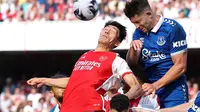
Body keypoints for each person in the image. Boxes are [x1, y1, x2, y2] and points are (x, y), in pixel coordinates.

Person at [27, 20, 143, 112]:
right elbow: (74, 81)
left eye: (112, 31)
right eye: (105, 29)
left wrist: (121, 100)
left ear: (117, 42)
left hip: (92, 109)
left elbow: (136, 87)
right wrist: (44, 80)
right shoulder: (85, 56)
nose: (106, 31)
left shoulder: (116, 60)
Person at [124, 0, 188, 108]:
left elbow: (180, 66)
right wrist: (132, 49)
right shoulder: (138, 32)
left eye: (138, 22)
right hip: (149, 90)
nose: (136, 26)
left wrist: (155, 85)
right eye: (133, 23)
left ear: (148, 14)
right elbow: (131, 63)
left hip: (173, 91)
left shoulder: (172, 28)